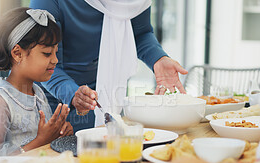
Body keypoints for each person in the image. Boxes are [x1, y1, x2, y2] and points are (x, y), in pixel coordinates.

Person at [30, 0, 189, 131]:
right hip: (52, 99)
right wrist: (73, 94)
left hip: (101, 95)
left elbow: (140, 33)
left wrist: (158, 58)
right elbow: (41, 60)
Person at [0, 7, 73, 156]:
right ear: (17, 53)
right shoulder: (0, 102)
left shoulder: (38, 93)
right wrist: (40, 141)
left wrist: (58, 134)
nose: (55, 60)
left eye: (55, 52)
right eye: (47, 53)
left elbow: (45, 141)